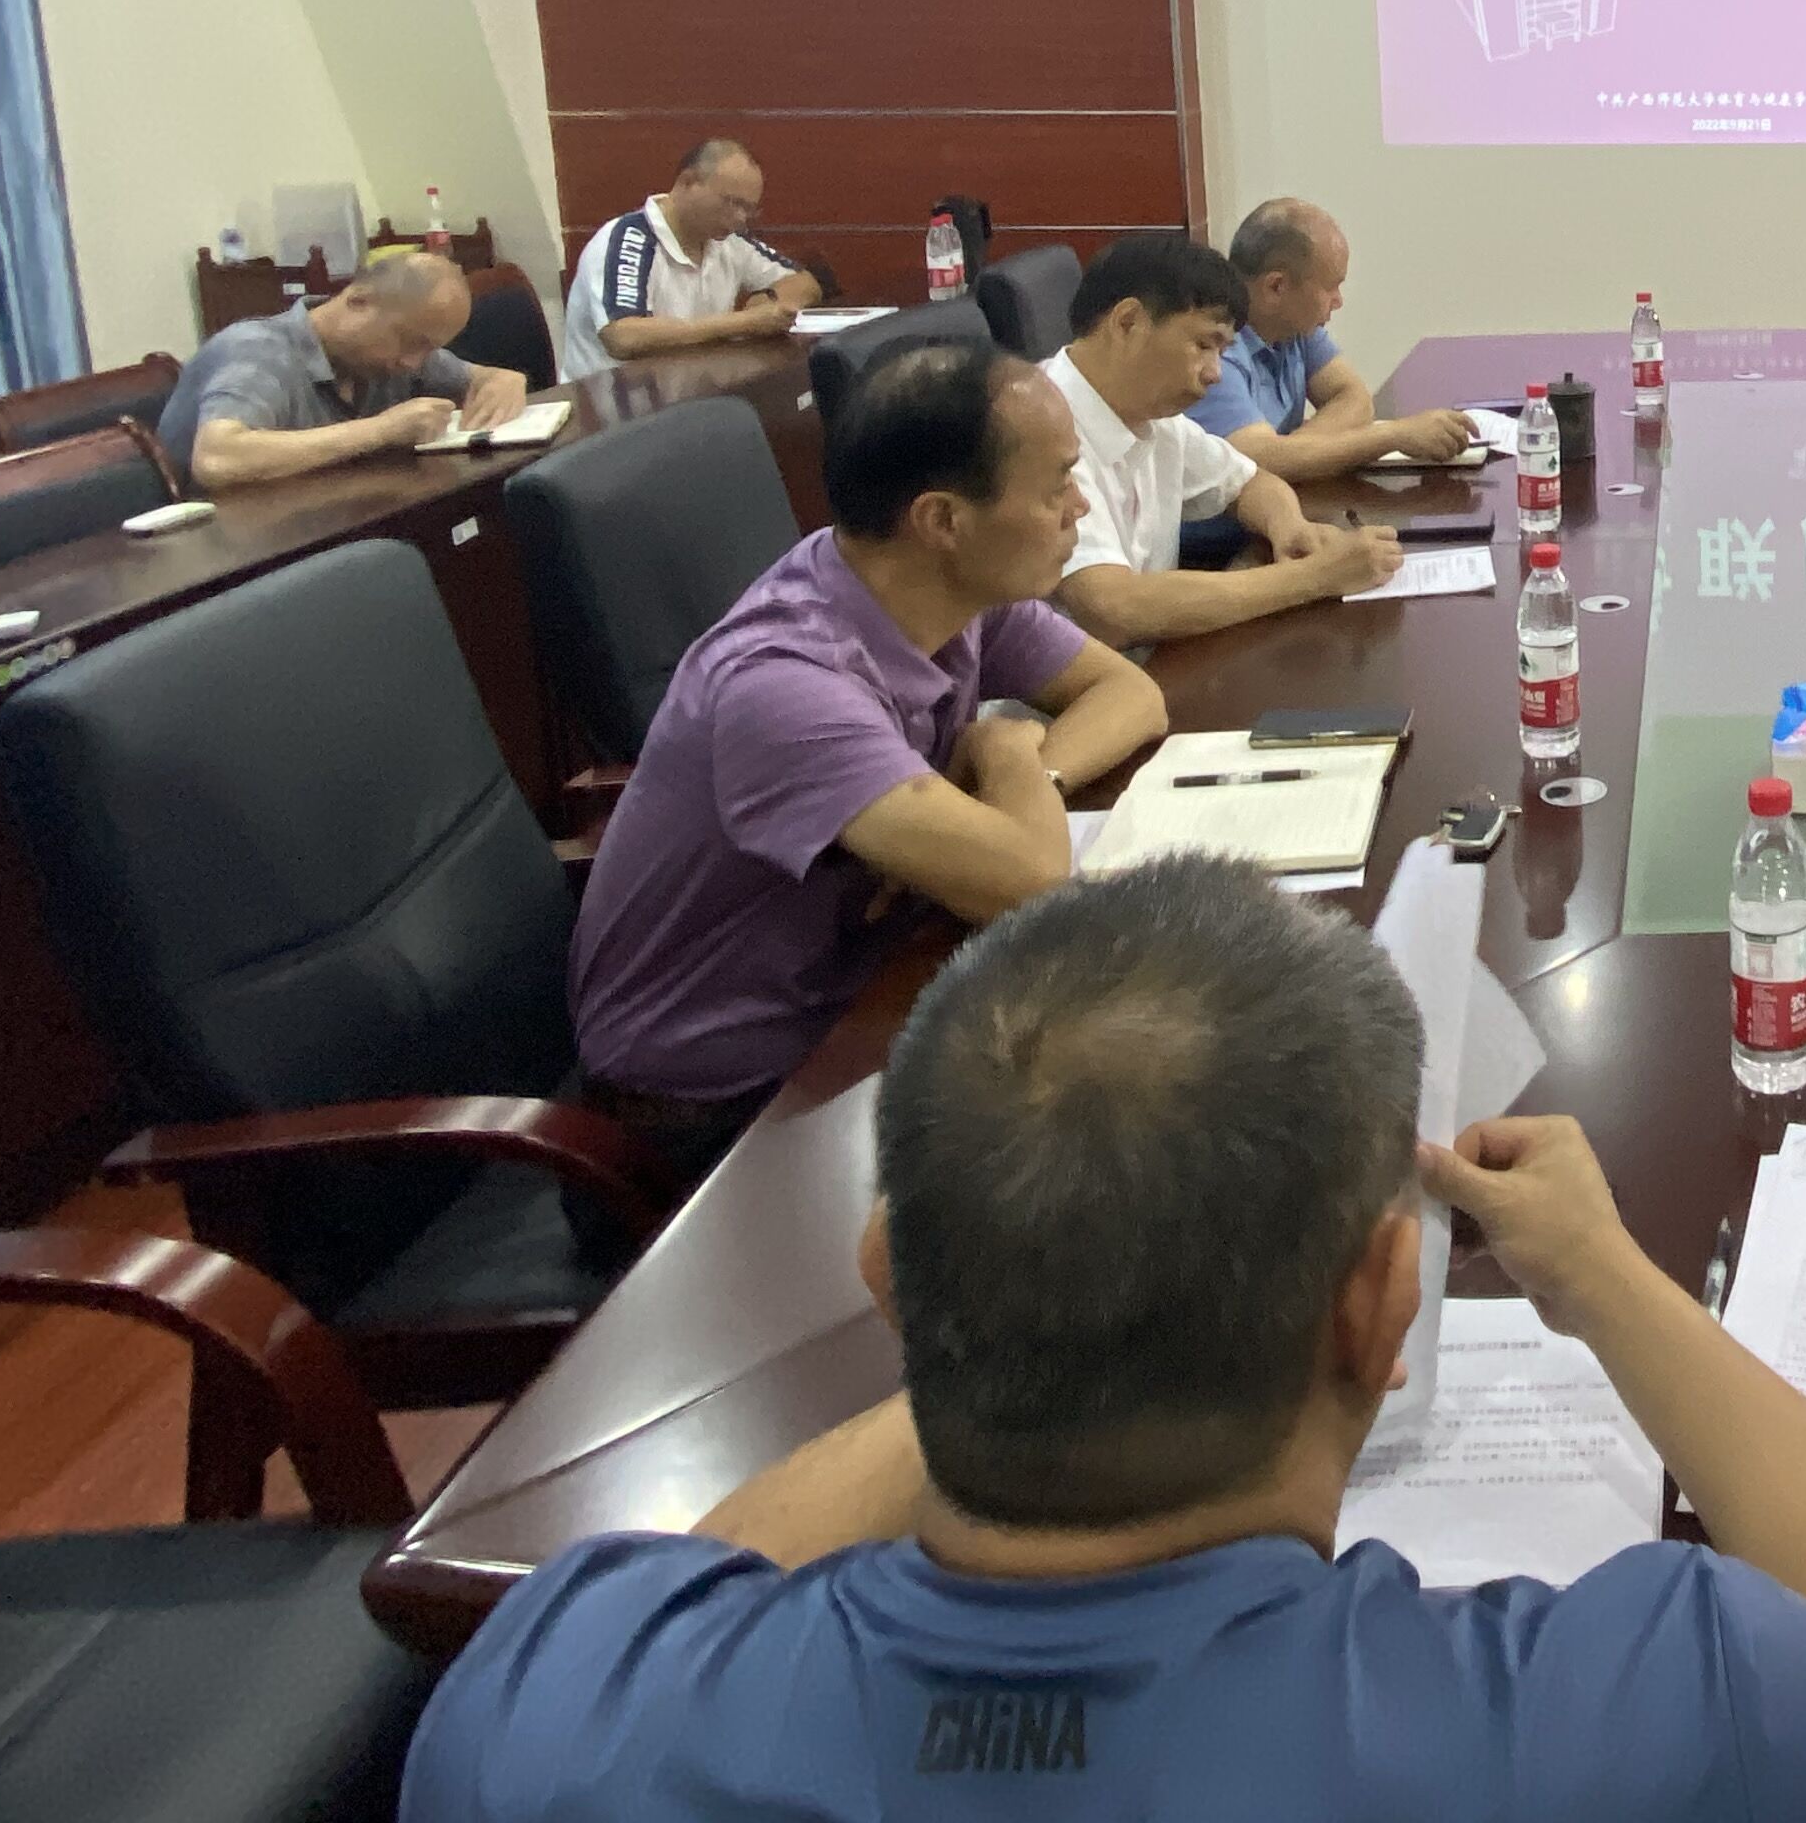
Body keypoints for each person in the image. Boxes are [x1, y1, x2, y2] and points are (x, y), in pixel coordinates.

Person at [410, 858, 1806, 1823]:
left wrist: (1019, 1295)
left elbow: (693, 1589)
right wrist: (1607, 1273)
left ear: (891, 1276)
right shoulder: (1673, 1712)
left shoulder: (540, 1716)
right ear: (1380, 1307)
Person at [565, 341, 1163, 1172]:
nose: (1079, 505)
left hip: (861, 997)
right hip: (715, 1110)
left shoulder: (949, 589)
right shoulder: (785, 685)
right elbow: (1030, 880)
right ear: (943, 521)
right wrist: (1004, 755)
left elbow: (1131, 695)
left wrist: (1030, 780)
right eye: (1056, 484)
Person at [1042, 232, 1400, 645]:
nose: (1215, 373)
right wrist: (1315, 577)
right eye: (1203, 345)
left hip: (1149, 661)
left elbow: (1251, 481)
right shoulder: (1040, 429)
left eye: (1222, 351)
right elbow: (1112, 607)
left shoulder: (1154, 416)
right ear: (1128, 323)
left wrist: (1289, 527)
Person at [1174, 198, 1475, 563]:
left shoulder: (1294, 328)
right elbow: (1256, 464)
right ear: (1276, 287)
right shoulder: (1215, 352)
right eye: (1331, 287)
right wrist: (1392, 436)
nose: (1339, 301)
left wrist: (1293, 453)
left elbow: (1353, 398)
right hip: (1220, 552)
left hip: (1280, 522)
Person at [160, 252, 525, 487]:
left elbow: (480, 377)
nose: (414, 363)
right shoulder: (257, 350)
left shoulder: (391, 357)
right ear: (358, 301)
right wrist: (381, 430)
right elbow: (217, 458)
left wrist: (503, 379)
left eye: (428, 349)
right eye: (409, 341)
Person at [559, 138, 822, 377]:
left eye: (749, 209)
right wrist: (743, 323)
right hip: (613, 401)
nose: (740, 218)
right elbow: (622, 336)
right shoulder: (630, 238)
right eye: (732, 203)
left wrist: (769, 301)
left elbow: (804, 283)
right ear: (687, 182)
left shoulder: (727, 239)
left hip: (692, 391)